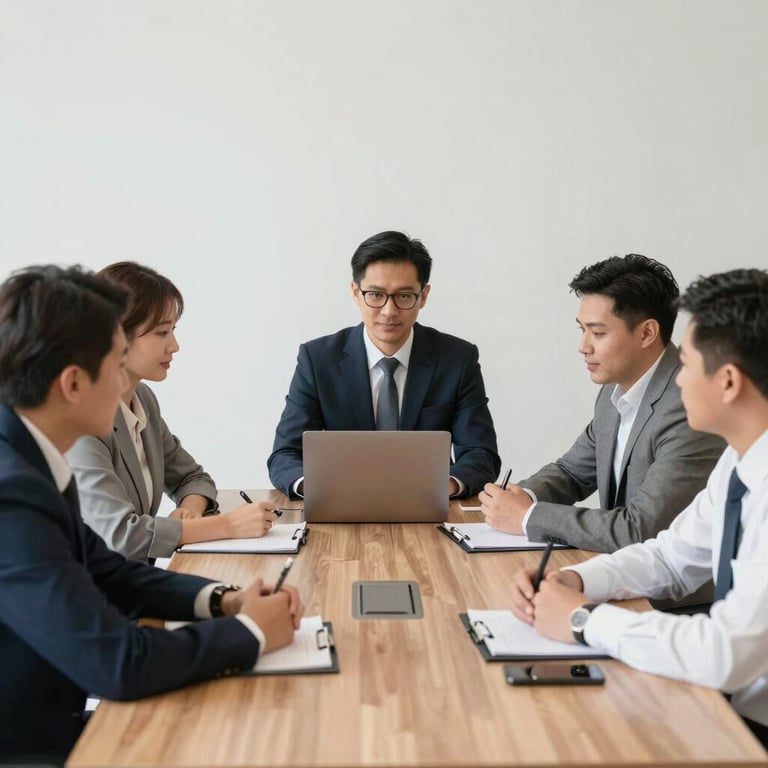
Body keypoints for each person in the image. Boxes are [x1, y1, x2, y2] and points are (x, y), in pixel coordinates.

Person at [0, 265, 303, 765]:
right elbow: (118, 662)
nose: (127, 382)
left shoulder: (32, 458)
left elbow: (110, 570)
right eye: (117, 362)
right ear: (73, 383)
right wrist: (251, 634)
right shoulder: (12, 495)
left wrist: (227, 602)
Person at [510, 268, 768, 748]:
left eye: (687, 364)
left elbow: (727, 653)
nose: (678, 378)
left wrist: (584, 619)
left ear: (728, 382)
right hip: (731, 705)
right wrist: (579, 581)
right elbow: (672, 555)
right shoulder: (740, 458)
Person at [480, 254, 724, 552]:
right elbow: (572, 472)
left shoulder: (689, 406)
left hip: (668, 596)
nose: (583, 347)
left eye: (597, 333)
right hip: (622, 574)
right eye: (581, 330)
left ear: (647, 332)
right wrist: (521, 497)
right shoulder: (615, 390)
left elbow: (641, 529)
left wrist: (528, 517)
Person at [67, 262, 278, 562]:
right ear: (115, 336)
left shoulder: (142, 399)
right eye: (162, 332)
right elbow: (121, 535)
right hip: (91, 596)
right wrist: (228, 525)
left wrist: (191, 508)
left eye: (173, 330)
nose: (175, 345)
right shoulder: (81, 421)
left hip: (136, 582)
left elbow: (192, 478)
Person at [267, 230, 501, 498]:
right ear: (356, 292)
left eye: (404, 296)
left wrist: (443, 486)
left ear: (423, 296)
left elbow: (481, 454)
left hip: (428, 505)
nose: (389, 311)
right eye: (376, 295)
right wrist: (316, 487)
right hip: (340, 503)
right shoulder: (318, 359)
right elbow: (285, 454)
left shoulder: (458, 359)